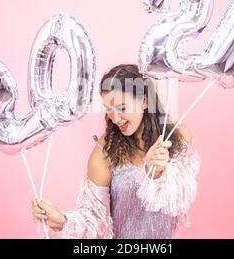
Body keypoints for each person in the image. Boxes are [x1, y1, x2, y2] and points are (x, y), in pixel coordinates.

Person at [31, 64, 200, 238]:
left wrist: (155, 174)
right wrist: (63, 222)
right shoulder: (105, 152)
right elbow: (96, 221)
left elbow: (179, 201)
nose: (115, 118)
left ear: (144, 100)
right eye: (109, 110)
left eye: (122, 108)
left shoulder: (178, 137)